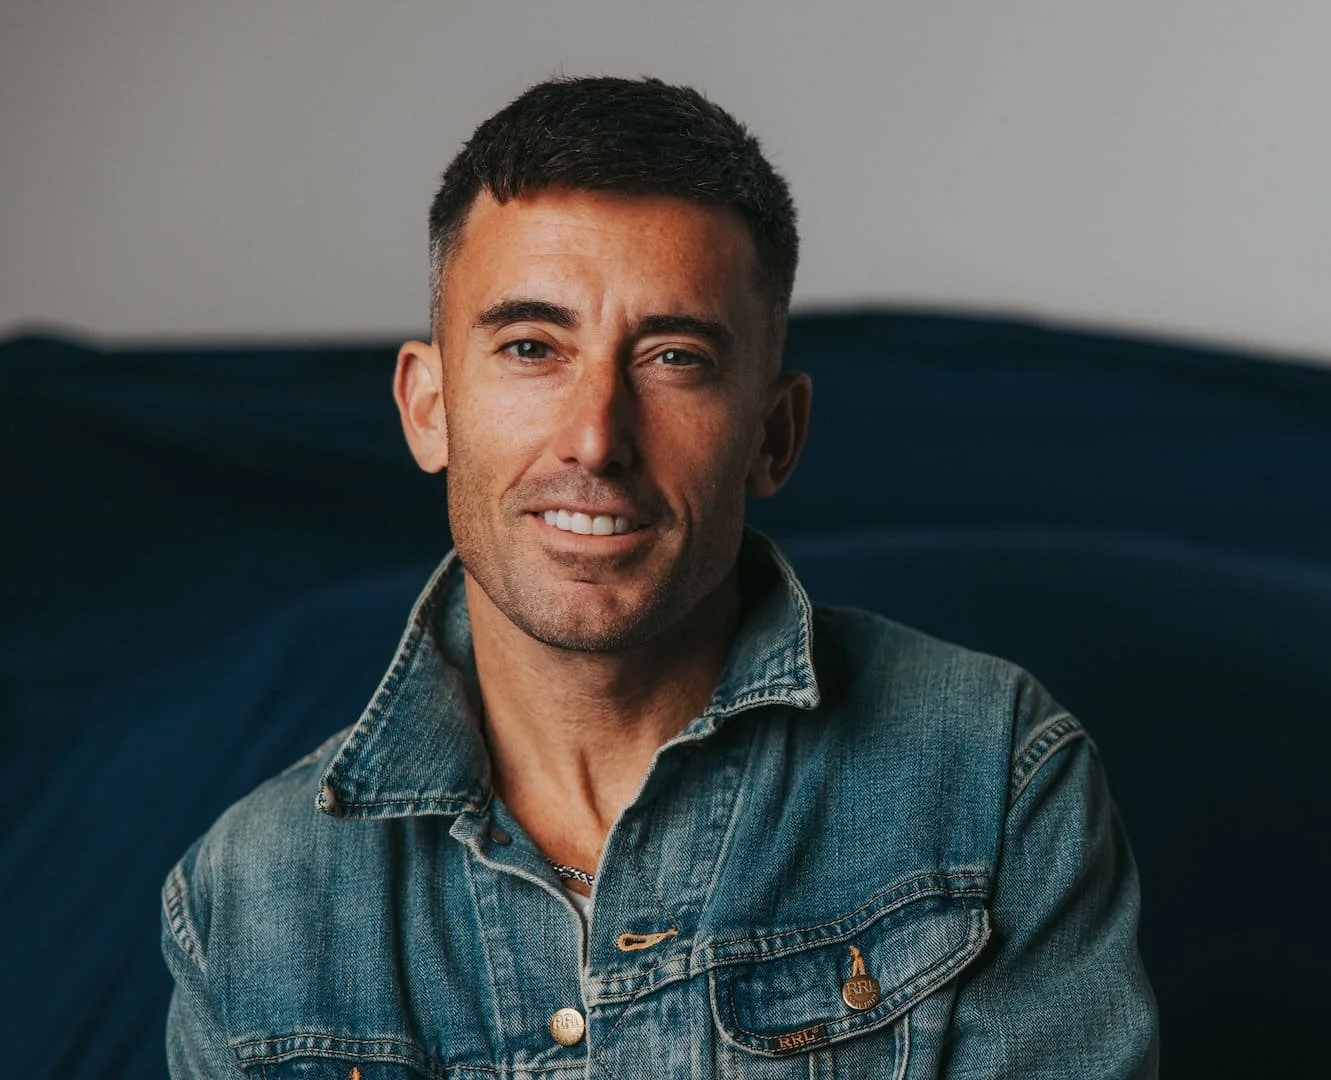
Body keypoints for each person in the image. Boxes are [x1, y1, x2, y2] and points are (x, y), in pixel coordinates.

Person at [159, 76, 1157, 1078]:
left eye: (673, 357)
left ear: (775, 434)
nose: (596, 438)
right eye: (532, 347)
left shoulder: (991, 777)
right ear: (429, 409)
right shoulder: (245, 908)